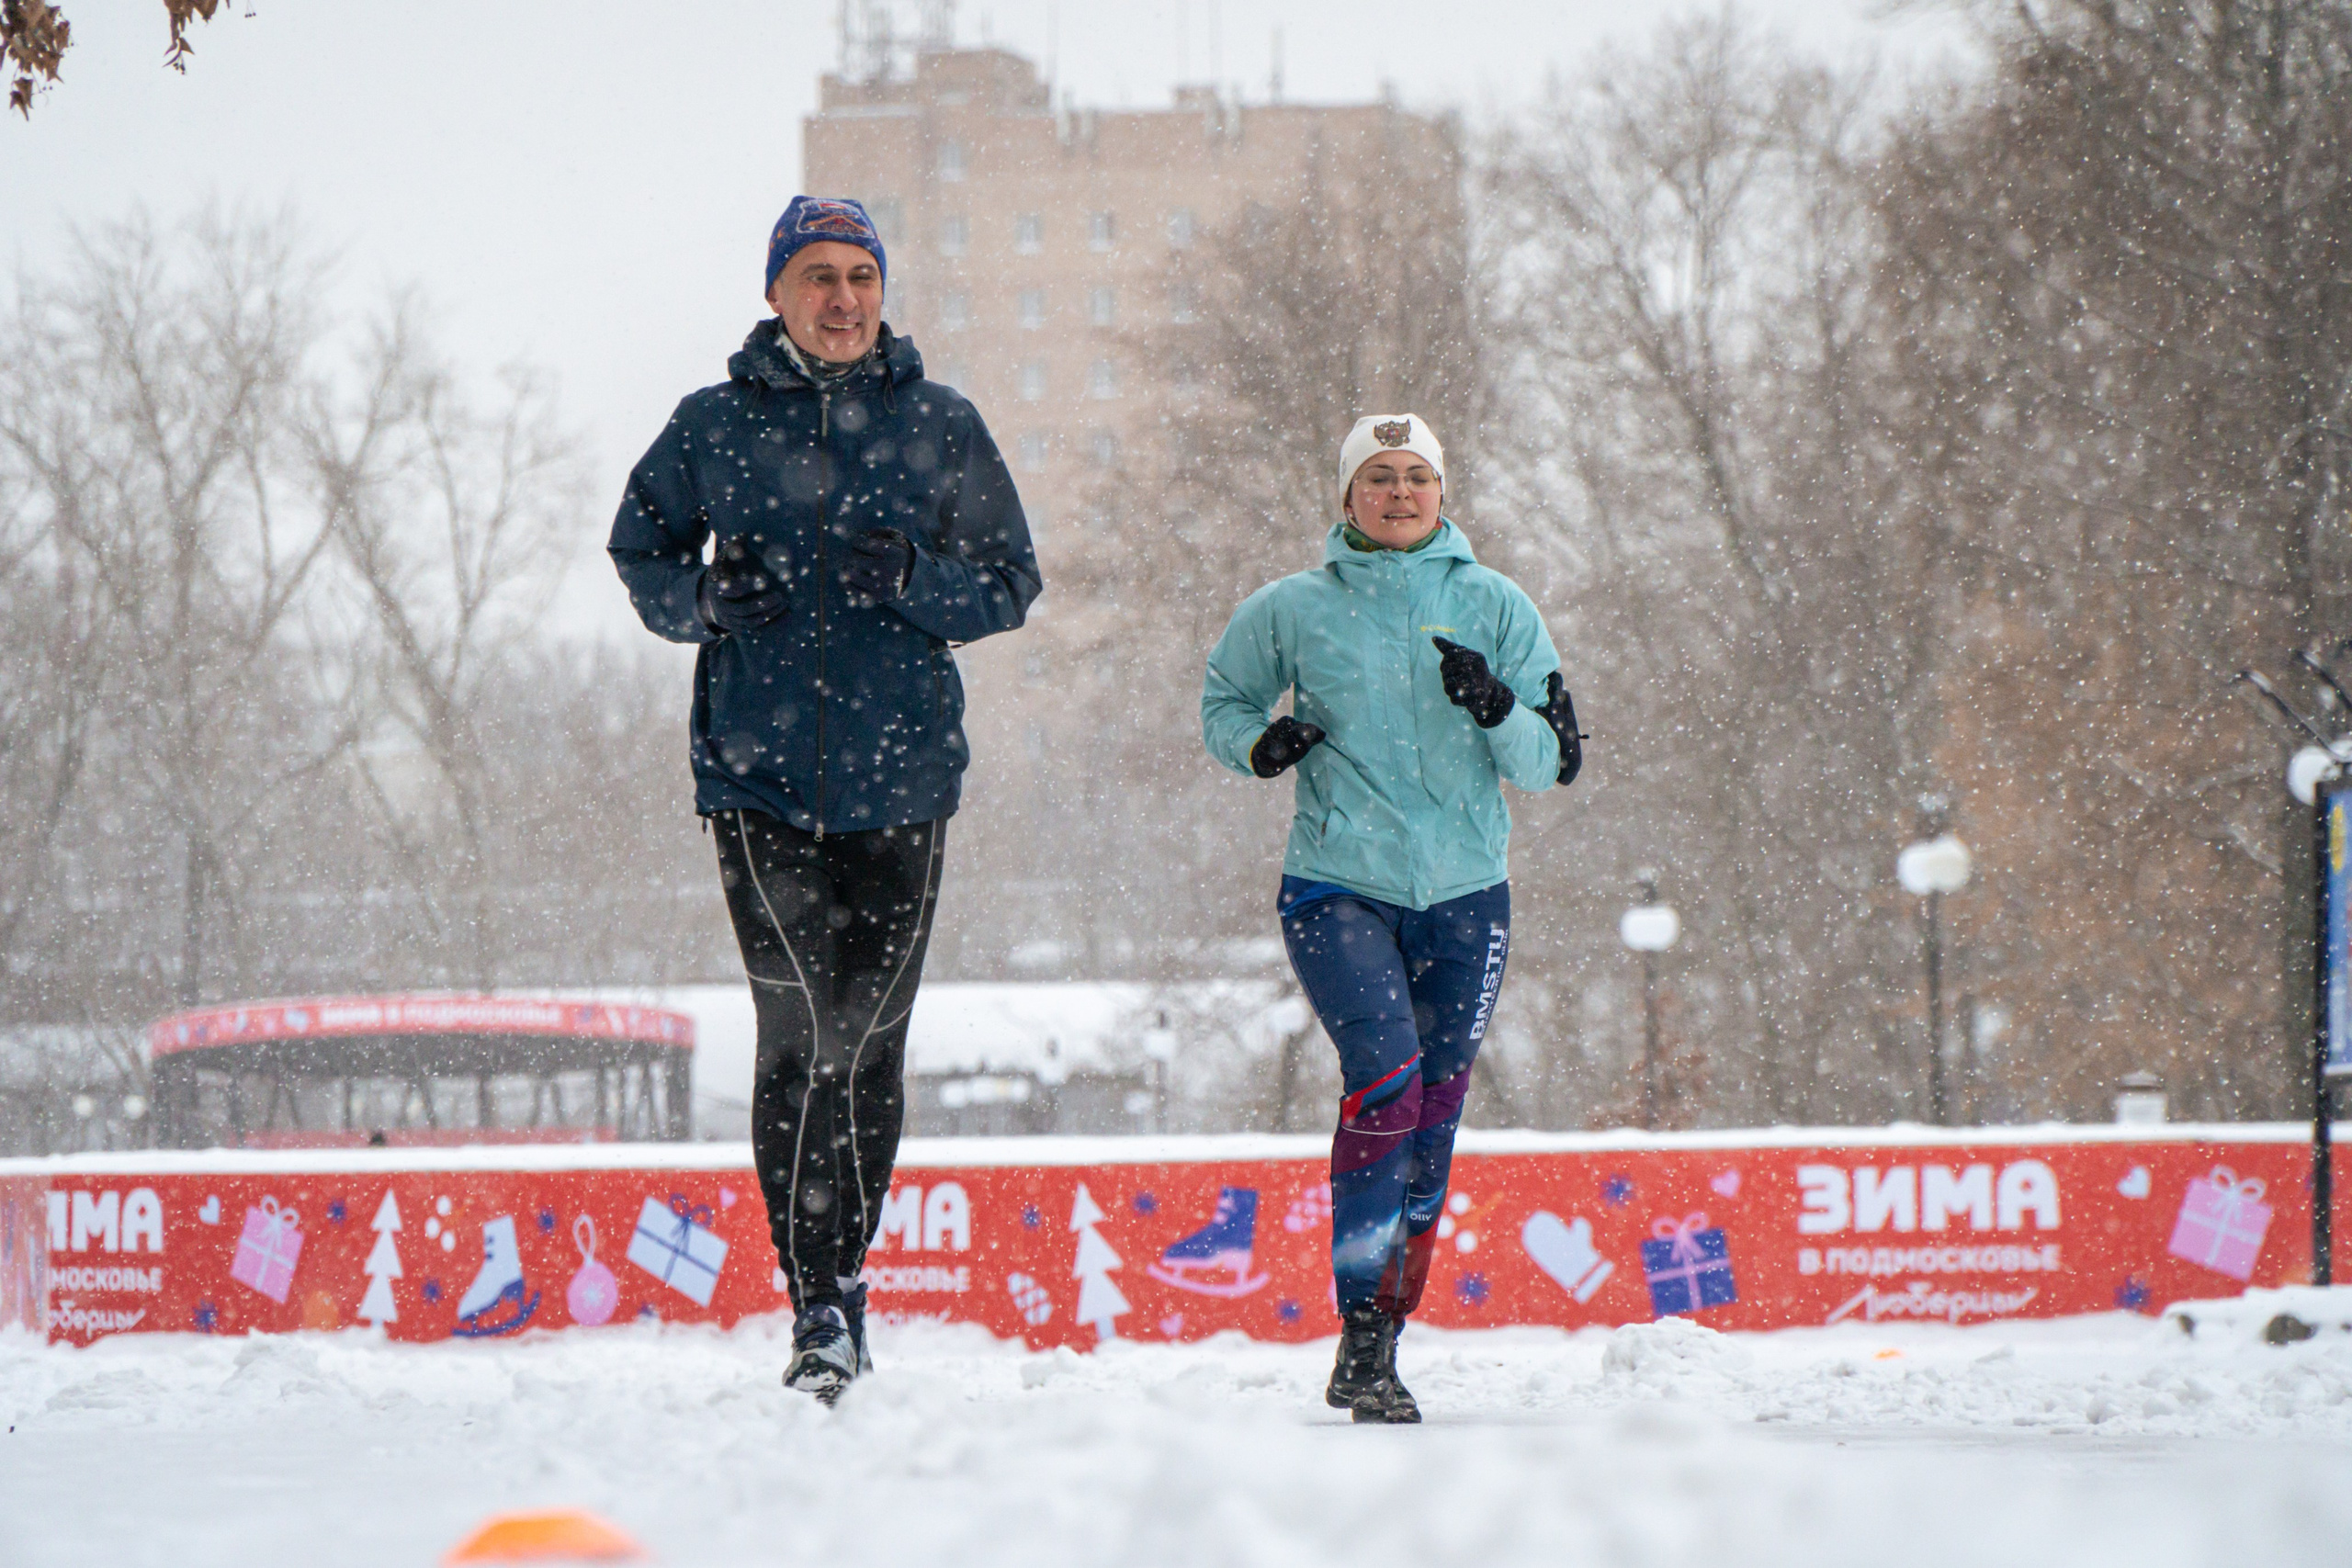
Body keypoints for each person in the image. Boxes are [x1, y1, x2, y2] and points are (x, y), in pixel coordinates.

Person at [609, 196, 1040, 1404]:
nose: (843, 298)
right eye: (817, 277)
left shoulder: (940, 425)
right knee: (803, 1025)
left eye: (861, 276)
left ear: (882, 291)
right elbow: (639, 551)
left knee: (872, 1040)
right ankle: (819, 1297)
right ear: (776, 294)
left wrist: (917, 580)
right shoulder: (712, 426)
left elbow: (1012, 581)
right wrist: (703, 602)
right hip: (757, 782)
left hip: (904, 782)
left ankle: (840, 1275)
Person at [1201, 414, 1582, 1423]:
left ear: (1442, 492)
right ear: (1347, 498)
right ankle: (1361, 1335)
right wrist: (1262, 746)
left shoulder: (1495, 604)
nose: (1401, 492)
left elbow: (1551, 763)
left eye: (1418, 476)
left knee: (1435, 1113)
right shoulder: (1291, 608)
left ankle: (1383, 1336)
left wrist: (1494, 704)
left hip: (1465, 893)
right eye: (1378, 477)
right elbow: (1223, 703)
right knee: (1386, 1090)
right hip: (1338, 884)